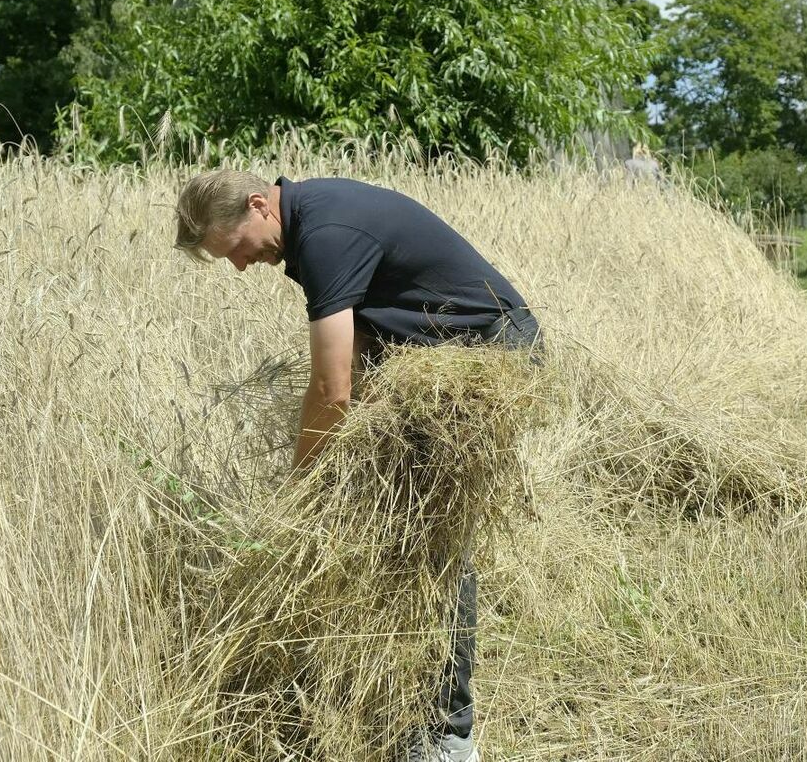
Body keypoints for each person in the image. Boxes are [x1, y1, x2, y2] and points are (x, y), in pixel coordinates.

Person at [175, 170, 543, 762]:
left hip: (486, 364)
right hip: (438, 364)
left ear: (258, 206)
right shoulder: (307, 225)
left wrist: (306, 487)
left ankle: (448, 737)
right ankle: (398, 711)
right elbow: (366, 338)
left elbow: (331, 385)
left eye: (236, 249)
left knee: (434, 544)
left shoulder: (324, 232)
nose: (240, 266)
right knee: (390, 537)